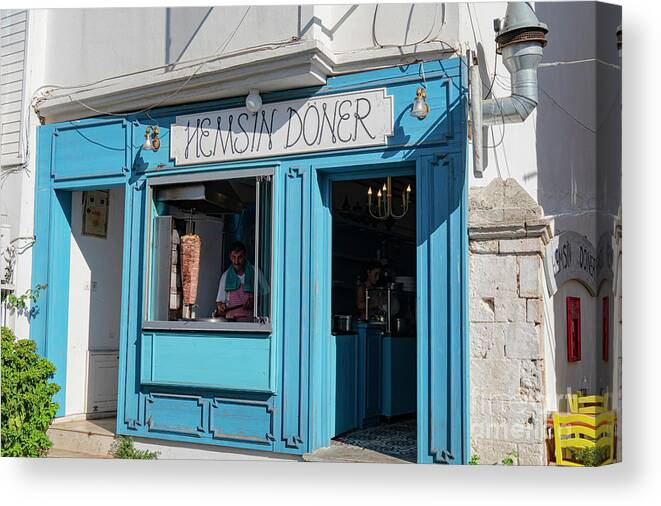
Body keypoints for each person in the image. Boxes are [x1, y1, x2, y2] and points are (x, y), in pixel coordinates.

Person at [215, 241, 269, 322]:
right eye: (234, 257)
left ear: (245, 256)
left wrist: (255, 301)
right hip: (232, 322)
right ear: (230, 257)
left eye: (240, 257)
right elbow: (220, 302)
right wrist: (221, 307)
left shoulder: (256, 273)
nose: (236, 261)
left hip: (252, 322)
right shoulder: (225, 276)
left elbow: (267, 296)